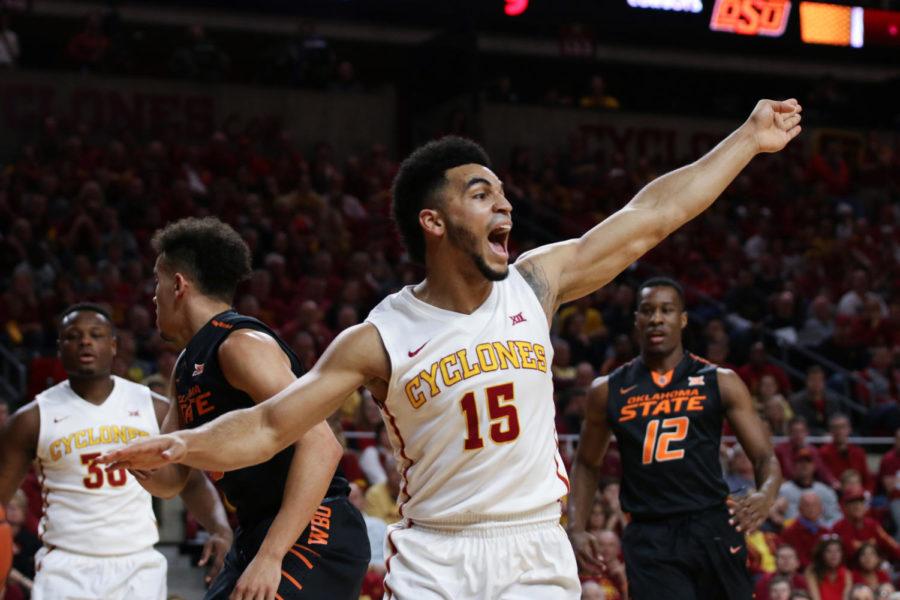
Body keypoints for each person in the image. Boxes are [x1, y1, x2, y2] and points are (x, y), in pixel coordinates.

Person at [101, 98, 803, 599]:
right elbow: (268, 425)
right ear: (433, 221)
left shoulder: (536, 284)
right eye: (480, 194)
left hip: (532, 544)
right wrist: (181, 448)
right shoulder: (378, 338)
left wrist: (746, 138)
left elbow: (651, 217)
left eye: (502, 193)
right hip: (434, 554)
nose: (504, 206)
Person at [133, 218, 369, 600]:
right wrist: (132, 460)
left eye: (156, 283)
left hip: (313, 524)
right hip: (256, 530)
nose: (153, 296)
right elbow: (173, 479)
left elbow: (323, 445)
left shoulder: (240, 345)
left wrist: (271, 556)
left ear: (177, 285)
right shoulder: (184, 366)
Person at [568, 277, 782, 599]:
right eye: (647, 310)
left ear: (682, 319)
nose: (656, 318)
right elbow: (586, 463)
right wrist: (576, 527)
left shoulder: (720, 381)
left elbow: (765, 457)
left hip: (711, 525)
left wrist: (766, 495)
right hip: (650, 535)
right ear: (636, 320)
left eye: (667, 310)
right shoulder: (607, 390)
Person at [0, 304, 232, 600]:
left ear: (113, 346)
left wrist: (220, 529)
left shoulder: (154, 407)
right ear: (60, 348)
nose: (85, 341)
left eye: (96, 334)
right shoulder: (32, 418)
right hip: (65, 566)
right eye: (73, 336)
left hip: (138, 563)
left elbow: (193, 481)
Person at [779, 448, 842, 526]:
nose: (804, 465)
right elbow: (772, 513)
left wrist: (822, 529)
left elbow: (836, 518)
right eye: (800, 462)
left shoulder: (825, 491)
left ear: (814, 466)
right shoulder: (783, 490)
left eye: (808, 462)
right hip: (791, 532)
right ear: (794, 466)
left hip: (819, 533)